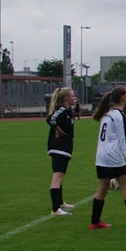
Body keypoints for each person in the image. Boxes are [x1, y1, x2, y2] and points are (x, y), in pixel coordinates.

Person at [90, 86, 126, 229]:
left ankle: (94, 221)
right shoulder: (119, 115)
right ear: (122, 97)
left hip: (101, 157)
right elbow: (124, 140)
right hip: (114, 157)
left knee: (102, 189)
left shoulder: (107, 114)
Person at [46, 87, 79, 216]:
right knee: (57, 177)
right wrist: (58, 130)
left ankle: (60, 202)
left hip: (65, 147)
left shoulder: (68, 111)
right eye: (72, 95)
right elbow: (50, 119)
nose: (74, 97)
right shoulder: (60, 110)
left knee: (61, 176)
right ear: (66, 98)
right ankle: (55, 209)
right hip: (58, 147)